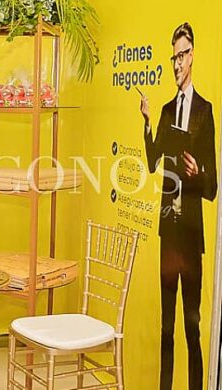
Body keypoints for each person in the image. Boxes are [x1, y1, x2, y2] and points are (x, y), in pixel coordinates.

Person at [140, 22, 217, 390]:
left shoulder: (205, 111)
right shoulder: (167, 110)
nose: (177, 63)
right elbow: (153, 161)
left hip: (190, 236)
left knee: (192, 325)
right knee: (166, 327)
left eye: (182, 55)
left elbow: (212, 187)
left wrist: (197, 172)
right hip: (168, 231)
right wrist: (146, 122)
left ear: (193, 55)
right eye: (173, 57)